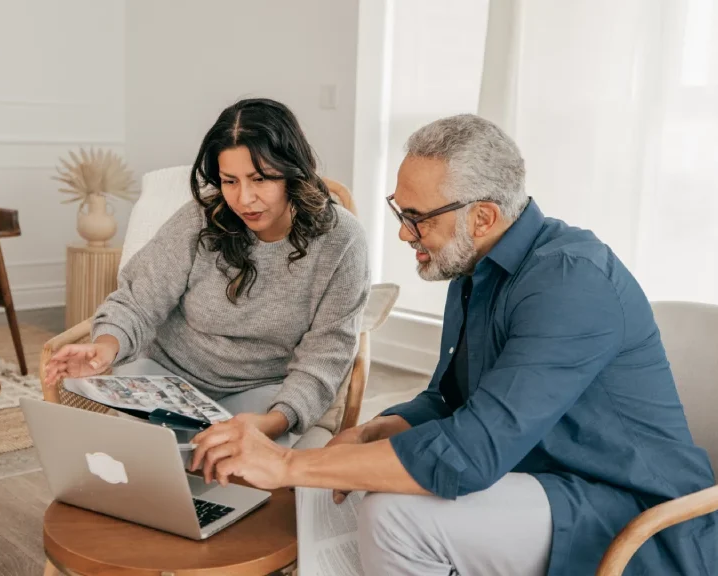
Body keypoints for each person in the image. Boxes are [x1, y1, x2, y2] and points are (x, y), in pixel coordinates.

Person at [188, 114, 717, 575]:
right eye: (401, 211)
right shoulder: (474, 266)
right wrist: (378, 428)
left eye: (416, 218)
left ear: (482, 216)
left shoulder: (571, 282)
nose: (402, 233)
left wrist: (286, 465)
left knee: (394, 516)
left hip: (628, 510)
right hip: (540, 479)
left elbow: (471, 453)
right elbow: (449, 399)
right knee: (352, 484)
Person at [44, 98, 371, 446]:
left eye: (259, 179)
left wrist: (275, 422)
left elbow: (327, 354)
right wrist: (105, 348)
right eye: (230, 181)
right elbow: (138, 300)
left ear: (292, 171)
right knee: (128, 468)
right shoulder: (200, 219)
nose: (244, 199)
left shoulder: (342, 241)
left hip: (262, 392)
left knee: (236, 473)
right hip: (165, 380)